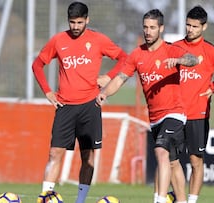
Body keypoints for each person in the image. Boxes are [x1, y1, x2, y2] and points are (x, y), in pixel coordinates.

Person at [96, 9, 198, 203]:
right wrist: (104, 93)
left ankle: (159, 199)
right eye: (145, 27)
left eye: (152, 27)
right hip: (155, 117)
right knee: (173, 162)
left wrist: (177, 60)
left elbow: (193, 59)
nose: (148, 31)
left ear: (161, 28)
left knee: (161, 151)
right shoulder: (136, 54)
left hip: (175, 113)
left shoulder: (171, 49)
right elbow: (120, 78)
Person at [31, 2, 127, 203]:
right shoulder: (58, 40)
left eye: (79, 22)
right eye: (72, 22)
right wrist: (48, 92)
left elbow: (124, 58)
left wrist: (108, 76)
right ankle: (45, 197)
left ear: (87, 20)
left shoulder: (98, 40)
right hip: (65, 107)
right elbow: (37, 64)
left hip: (89, 106)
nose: (75, 26)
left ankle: (80, 201)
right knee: (55, 152)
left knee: (88, 157)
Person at [167, 5, 214, 203]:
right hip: (174, 114)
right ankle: (179, 198)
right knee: (170, 161)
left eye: (195, 26)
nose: (190, 30)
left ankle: (192, 200)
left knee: (196, 161)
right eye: (188, 25)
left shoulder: (211, 51)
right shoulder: (174, 47)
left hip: (198, 114)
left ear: (204, 27)